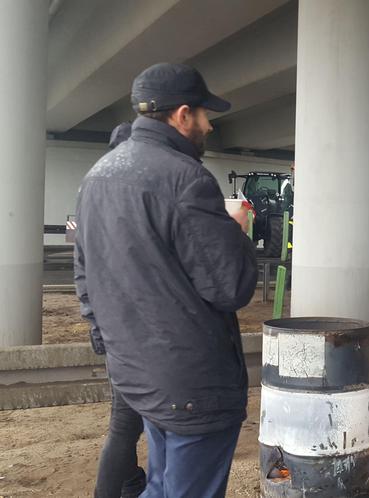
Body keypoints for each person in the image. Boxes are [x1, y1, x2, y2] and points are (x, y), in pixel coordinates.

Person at [74, 62, 258, 498]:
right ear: (181, 115)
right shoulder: (186, 180)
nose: (209, 126)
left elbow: (85, 273)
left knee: (160, 486)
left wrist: (110, 344)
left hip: (138, 373)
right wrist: (235, 229)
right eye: (203, 114)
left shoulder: (97, 176)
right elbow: (231, 287)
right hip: (191, 382)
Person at [87, 121, 146, 498]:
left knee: (125, 422)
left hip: (113, 329)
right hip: (137, 333)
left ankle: (128, 482)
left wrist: (94, 322)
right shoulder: (135, 201)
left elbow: (84, 271)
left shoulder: (94, 195)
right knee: (132, 423)